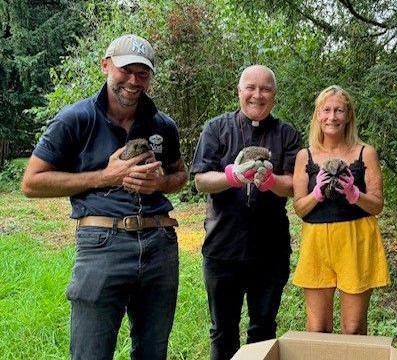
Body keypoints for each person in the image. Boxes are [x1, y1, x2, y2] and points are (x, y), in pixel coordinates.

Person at [21, 34, 187, 359]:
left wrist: (159, 183)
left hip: (160, 244)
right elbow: (31, 182)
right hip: (102, 243)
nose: (133, 81)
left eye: (143, 73)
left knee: (153, 352)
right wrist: (105, 177)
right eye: (126, 70)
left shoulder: (162, 124)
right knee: (91, 353)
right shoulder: (76, 118)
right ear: (106, 66)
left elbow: (181, 175)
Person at [191, 65, 301, 360]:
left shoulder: (287, 133)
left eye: (265, 89)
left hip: (270, 251)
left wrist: (271, 181)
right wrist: (232, 177)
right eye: (250, 88)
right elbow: (200, 180)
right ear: (239, 91)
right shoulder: (216, 128)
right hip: (222, 248)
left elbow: (294, 185)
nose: (257, 95)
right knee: (223, 330)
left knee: (263, 330)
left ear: (274, 96)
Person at [291, 85, 390, 335]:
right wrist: (317, 194)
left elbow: (377, 205)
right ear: (317, 115)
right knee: (317, 329)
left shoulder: (365, 153)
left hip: (356, 238)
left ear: (348, 116)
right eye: (326, 110)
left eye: (339, 110)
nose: (332, 117)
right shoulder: (305, 156)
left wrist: (354, 195)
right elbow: (300, 208)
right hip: (316, 242)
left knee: (354, 329)